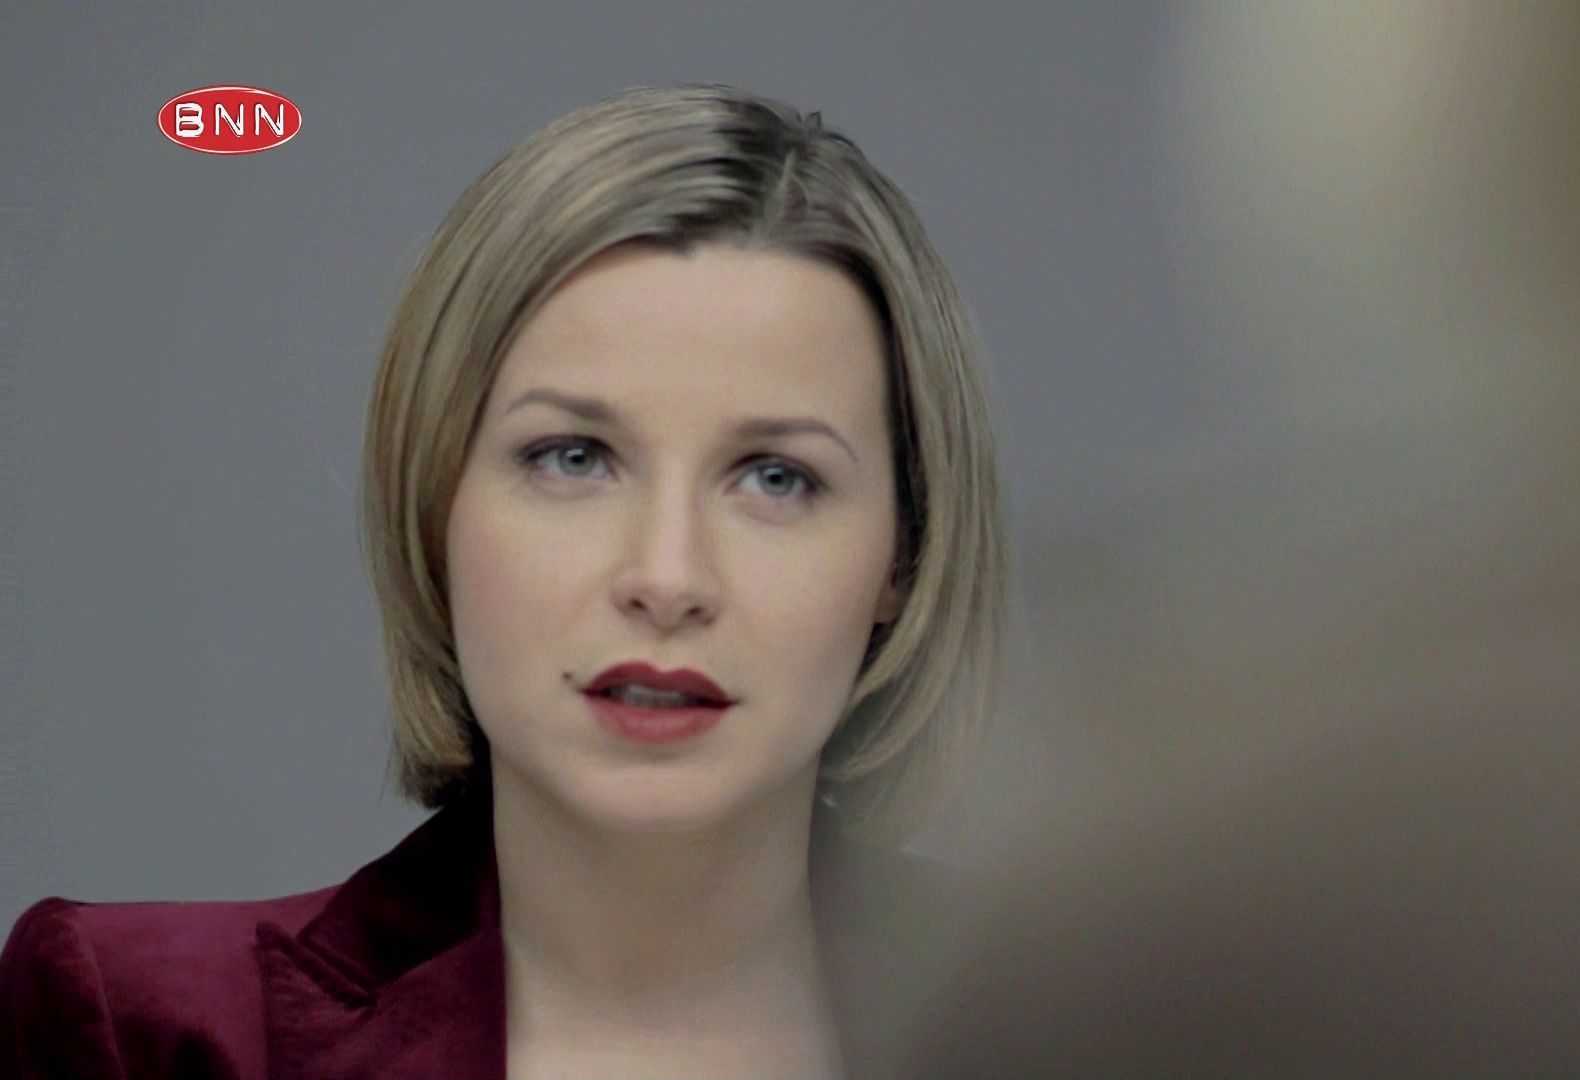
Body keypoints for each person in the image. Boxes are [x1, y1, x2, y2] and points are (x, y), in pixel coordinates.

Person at [0, 82, 1008, 1080]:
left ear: (904, 556)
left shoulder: (1078, 1027)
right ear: (435, 501)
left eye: (776, 478)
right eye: (574, 458)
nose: (666, 578)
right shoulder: (146, 1033)